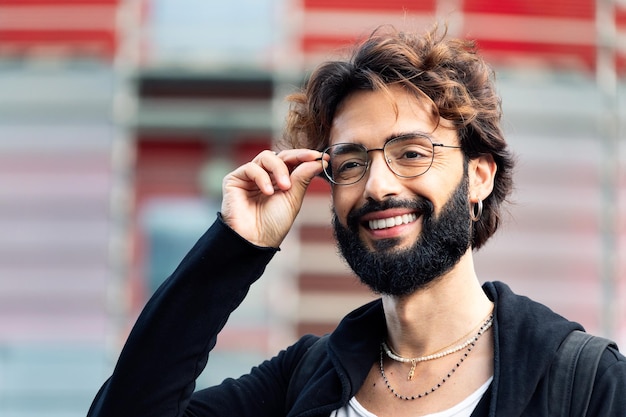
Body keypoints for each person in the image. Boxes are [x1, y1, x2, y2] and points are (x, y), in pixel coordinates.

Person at [87, 24, 626, 417]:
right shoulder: (303, 380)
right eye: (351, 163)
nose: (377, 185)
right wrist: (234, 248)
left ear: (479, 176)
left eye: (413, 153)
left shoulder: (586, 384)